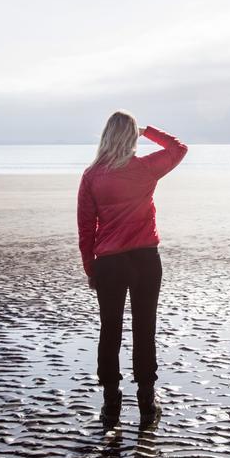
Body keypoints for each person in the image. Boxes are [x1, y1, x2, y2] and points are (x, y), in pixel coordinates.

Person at [77, 110, 188, 428]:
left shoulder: (92, 175)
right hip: (145, 260)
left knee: (109, 331)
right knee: (145, 329)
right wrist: (148, 130)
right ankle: (147, 402)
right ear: (130, 137)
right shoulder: (145, 168)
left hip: (110, 264)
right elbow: (179, 149)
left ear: (106, 136)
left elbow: (86, 228)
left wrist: (91, 269)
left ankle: (111, 403)